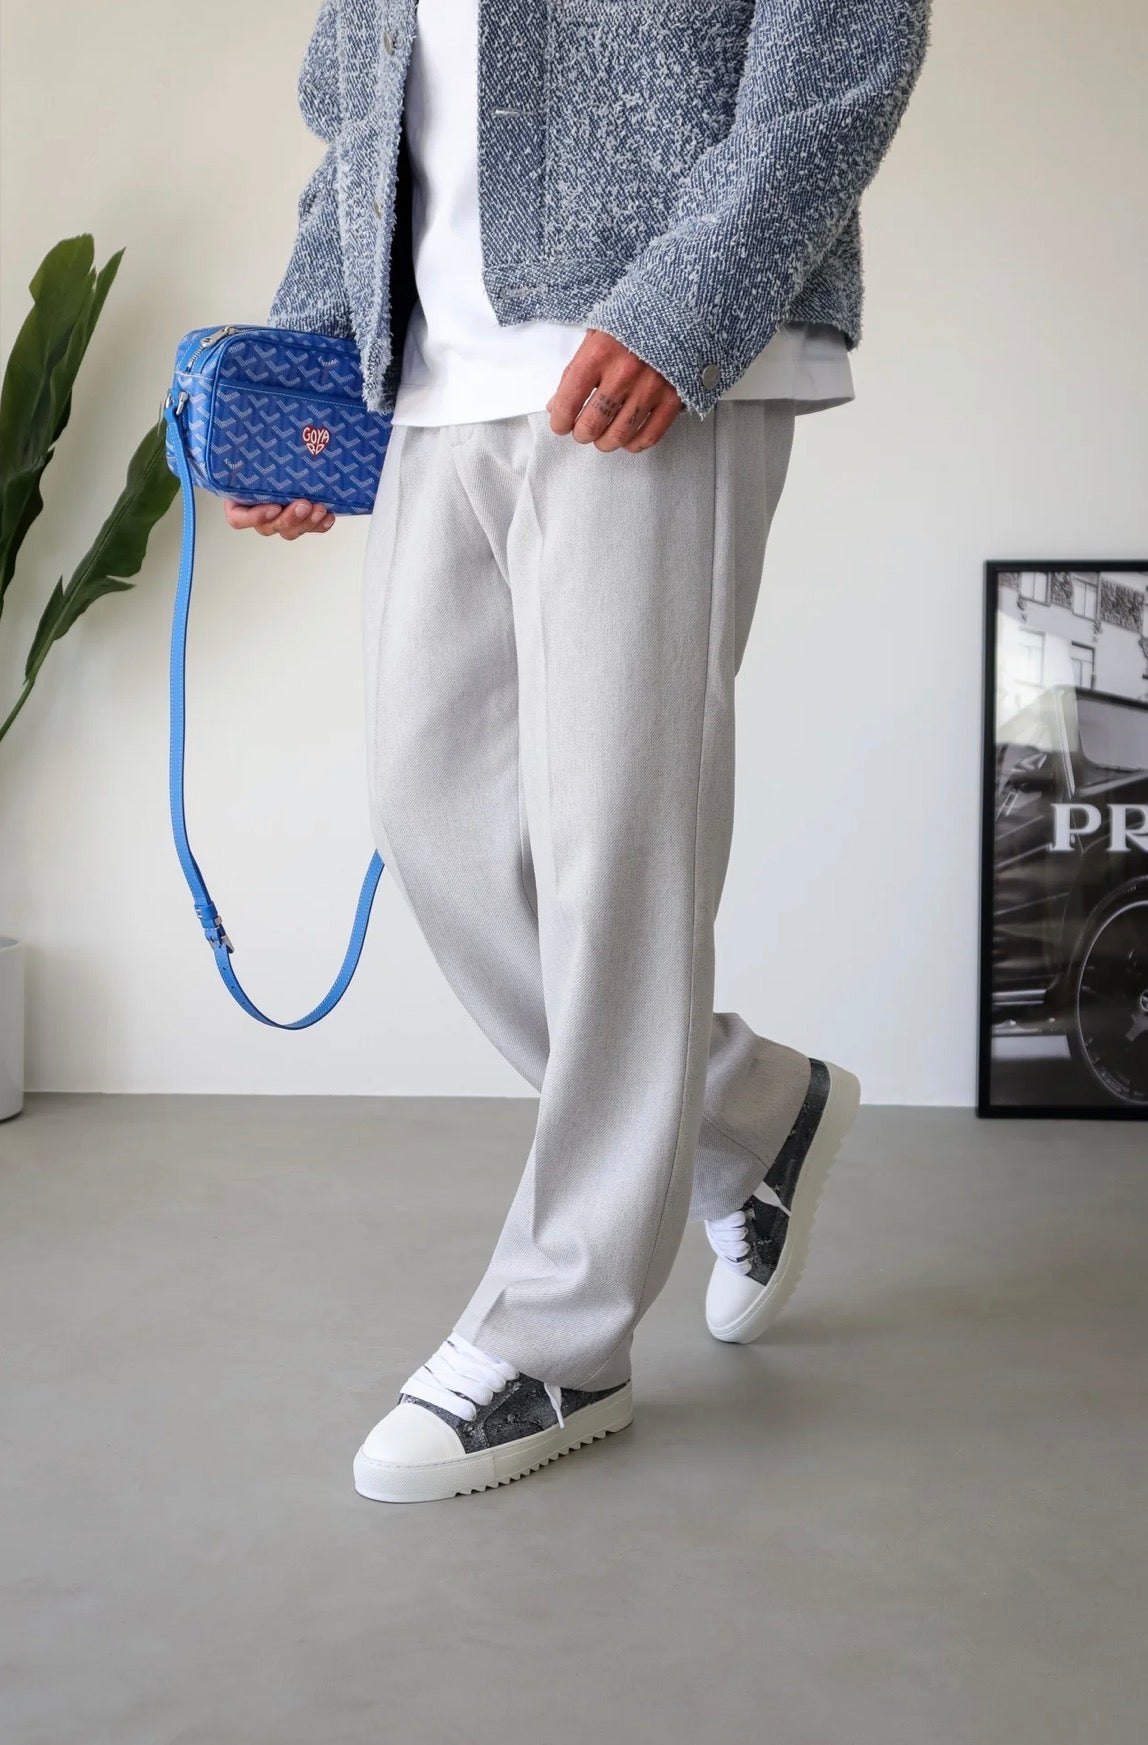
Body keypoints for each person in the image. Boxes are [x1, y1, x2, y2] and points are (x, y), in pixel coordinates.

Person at [226, 0, 930, 1504]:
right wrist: (308, 364)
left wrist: (689, 304)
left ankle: (561, 1334)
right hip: (438, 377)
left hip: (653, 353)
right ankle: (750, 1111)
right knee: (435, 819)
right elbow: (358, 113)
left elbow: (844, 47)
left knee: (617, 844)